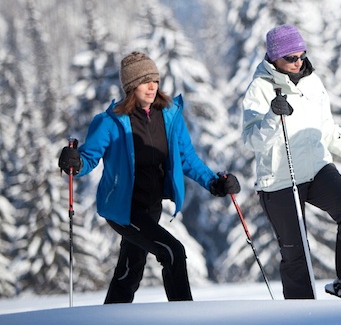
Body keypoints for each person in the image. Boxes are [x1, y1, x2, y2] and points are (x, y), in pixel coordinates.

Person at [56, 51, 241, 303]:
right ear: (131, 86)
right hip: (123, 208)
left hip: (151, 206)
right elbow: (88, 158)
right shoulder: (111, 121)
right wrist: (74, 162)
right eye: (145, 81)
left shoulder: (170, 116)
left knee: (131, 270)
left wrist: (213, 182)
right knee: (173, 252)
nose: (152, 86)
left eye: (154, 79)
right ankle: (185, 316)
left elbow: (187, 158)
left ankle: (110, 318)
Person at [241, 24, 341, 299]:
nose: (298, 62)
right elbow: (251, 141)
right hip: (279, 180)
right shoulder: (260, 88)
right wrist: (271, 117)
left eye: (301, 55)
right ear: (274, 58)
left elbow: (326, 130)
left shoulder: (312, 82)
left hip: (317, 169)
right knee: (295, 253)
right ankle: (301, 312)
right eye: (291, 58)